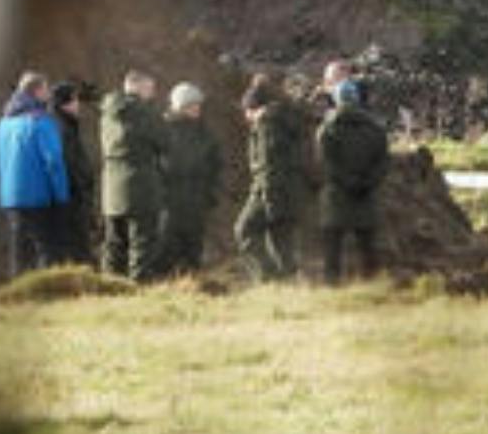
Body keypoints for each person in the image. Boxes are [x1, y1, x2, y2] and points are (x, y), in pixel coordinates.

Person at [0, 70, 70, 278]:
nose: (49, 94)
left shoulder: (3, 124)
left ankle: (18, 292)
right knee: (46, 247)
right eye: (46, 89)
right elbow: (53, 161)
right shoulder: (41, 121)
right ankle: (48, 291)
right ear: (37, 91)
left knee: (19, 250)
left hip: (10, 197)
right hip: (37, 195)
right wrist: (62, 196)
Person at [234, 73, 309, 281]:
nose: (246, 116)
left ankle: (268, 277)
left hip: (270, 188)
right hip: (290, 188)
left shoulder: (267, 125)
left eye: (247, 110)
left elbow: (269, 165)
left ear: (255, 108)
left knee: (244, 230)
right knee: (281, 238)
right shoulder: (285, 118)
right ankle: (289, 282)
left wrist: (269, 197)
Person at [317, 78, 390, 285]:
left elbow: (325, 164)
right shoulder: (376, 130)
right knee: (367, 248)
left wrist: (346, 181)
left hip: (336, 195)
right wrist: (367, 183)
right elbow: (383, 162)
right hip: (365, 196)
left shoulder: (328, 129)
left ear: (336, 100)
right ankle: (372, 286)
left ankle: (331, 288)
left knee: (332, 249)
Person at [99, 69, 168, 283]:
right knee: (142, 243)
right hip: (141, 186)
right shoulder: (145, 112)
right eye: (150, 88)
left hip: (111, 187)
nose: (153, 94)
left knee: (114, 243)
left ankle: (110, 287)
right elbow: (165, 143)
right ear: (138, 86)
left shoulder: (107, 113)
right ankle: (140, 290)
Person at [159, 81, 223, 274]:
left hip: (196, 202)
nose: (197, 109)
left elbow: (215, 164)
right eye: (192, 105)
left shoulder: (204, 132)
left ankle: (193, 288)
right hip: (169, 203)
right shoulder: (163, 129)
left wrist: (210, 194)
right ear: (180, 106)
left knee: (193, 251)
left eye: (198, 105)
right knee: (167, 250)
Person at [50, 81, 96, 266]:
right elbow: (69, 164)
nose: (78, 105)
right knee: (78, 249)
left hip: (72, 196)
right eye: (74, 100)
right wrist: (82, 187)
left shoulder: (67, 125)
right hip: (72, 198)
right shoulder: (63, 128)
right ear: (64, 104)